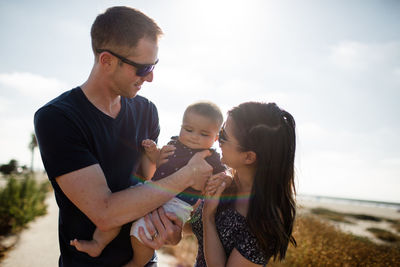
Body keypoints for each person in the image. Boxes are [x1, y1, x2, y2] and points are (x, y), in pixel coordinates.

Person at [34, 6, 214, 266]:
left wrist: (174, 231)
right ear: (107, 60)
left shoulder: (147, 111)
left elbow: (153, 185)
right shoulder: (57, 118)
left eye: (154, 65)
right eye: (143, 68)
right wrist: (187, 175)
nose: (150, 77)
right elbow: (105, 213)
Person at [70, 101, 227, 267]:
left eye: (204, 134)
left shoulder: (210, 157)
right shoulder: (174, 144)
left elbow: (224, 173)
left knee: (143, 233)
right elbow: (158, 163)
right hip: (151, 188)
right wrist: (154, 153)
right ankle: (98, 243)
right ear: (181, 126)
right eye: (188, 130)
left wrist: (226, 178)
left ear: (215, 138)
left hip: (176, 204)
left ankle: (137, 263)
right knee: (120, 209)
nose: (194, 136)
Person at [189, 102, 297, 266]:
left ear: (249, 157)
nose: (217, 139)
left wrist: (208, 218)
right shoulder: (224, 185)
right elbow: (190, 227)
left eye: (224, 136)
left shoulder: (266, 220)